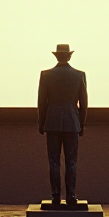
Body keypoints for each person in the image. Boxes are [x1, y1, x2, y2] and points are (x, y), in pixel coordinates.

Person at [38, 44, 88, 205]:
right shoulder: (79, 75)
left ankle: (55, 196)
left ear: (56, 56)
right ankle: (71, 195)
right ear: (69, 56)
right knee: (71, 162)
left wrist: (41, 122)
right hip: (72, 122)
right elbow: (84, 103)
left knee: (53, 161)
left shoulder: (46, 75)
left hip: (52, 122)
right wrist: (81, 124)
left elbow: (42, 102)